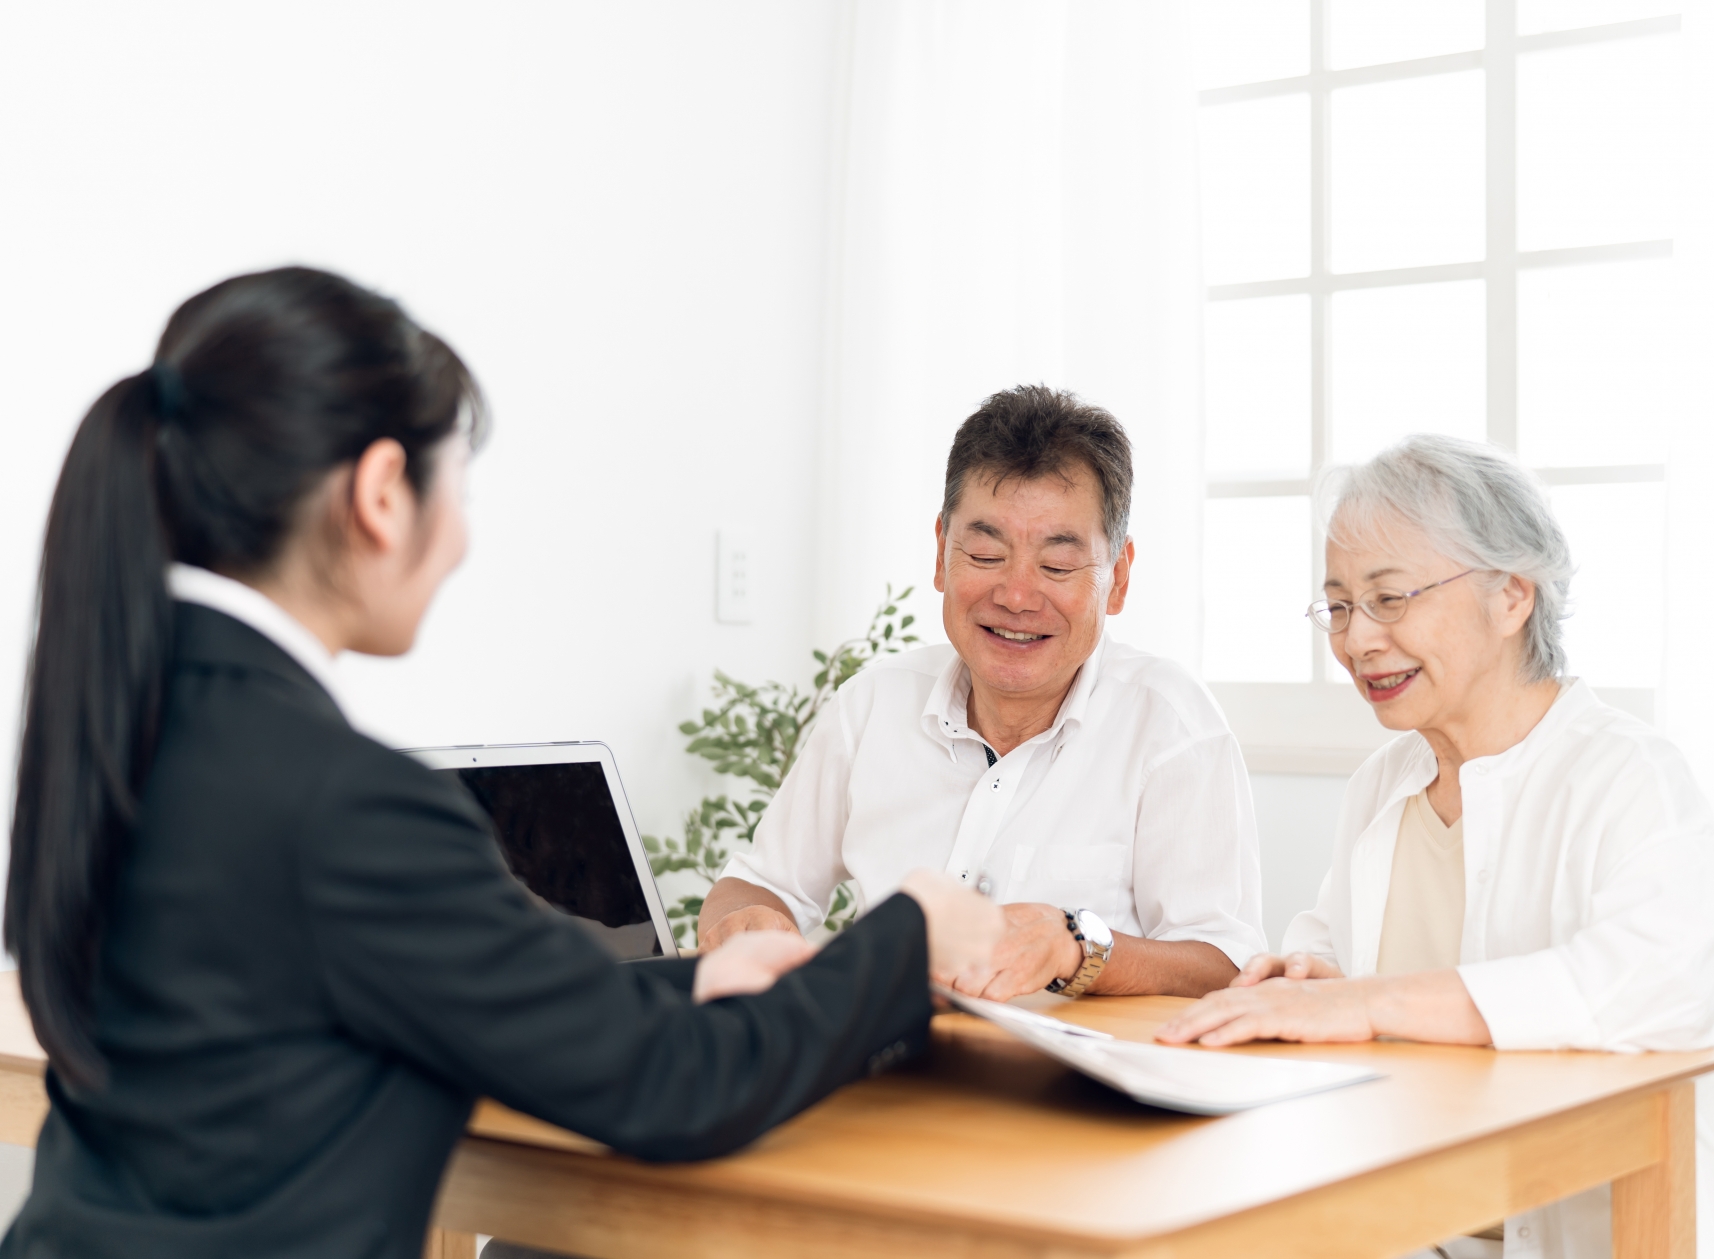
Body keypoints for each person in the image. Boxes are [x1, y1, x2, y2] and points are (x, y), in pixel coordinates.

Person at [0, 267, 1001, 1259]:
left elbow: (437, 983)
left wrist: (702, 975)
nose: (463, 539)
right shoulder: (344, 803)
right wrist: (909, 939)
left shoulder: (132, 724)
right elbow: (675, 1086)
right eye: (460, 487)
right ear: (383, 492)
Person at [1155, 435, 1714, 1259]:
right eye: (1340, 607)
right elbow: (1325, 964)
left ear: (1512, 597)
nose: (1357, 641)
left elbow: (1647, 995)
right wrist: (1304, 982)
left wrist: (1366, 1002)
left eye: (1390, 598)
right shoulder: (1382, 785)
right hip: (1420, 1226)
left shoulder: (1631, 778)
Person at [699, 384, 1265, 1000]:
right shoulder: (870, 707)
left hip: (1064, 1089)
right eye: (987, 552)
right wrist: (746, 921)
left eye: (1056, 566)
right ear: (942, 553)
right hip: (884, 1069)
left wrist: (1079, 945)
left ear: (1118, 579)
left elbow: (1226, 964)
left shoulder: (1171, 725)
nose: (1017, 595)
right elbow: (758, 884)